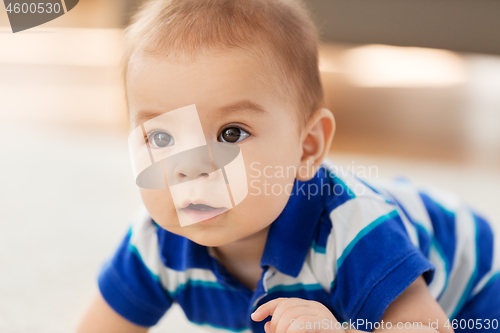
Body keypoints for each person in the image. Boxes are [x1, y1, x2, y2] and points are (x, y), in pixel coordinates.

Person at [77, 0, 500, 332]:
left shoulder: (351, 229)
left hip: (470, 294)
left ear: (307, 147)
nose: (189, 168)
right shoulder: (154, 242)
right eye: (162, 138)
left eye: (230, 134)